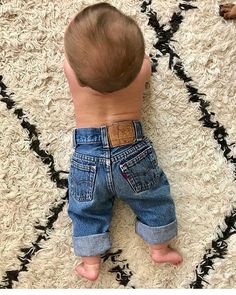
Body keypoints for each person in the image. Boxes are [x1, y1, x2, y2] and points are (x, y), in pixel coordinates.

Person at [63, 2, 183, 281]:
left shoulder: (74, 75)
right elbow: (143, 62)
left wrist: (75, 34)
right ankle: (160, 247)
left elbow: (70, 58)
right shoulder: (140, 71)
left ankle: (91, 263)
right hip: (132, 150)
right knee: (154, 199)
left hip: (87, 155)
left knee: (85, 209)